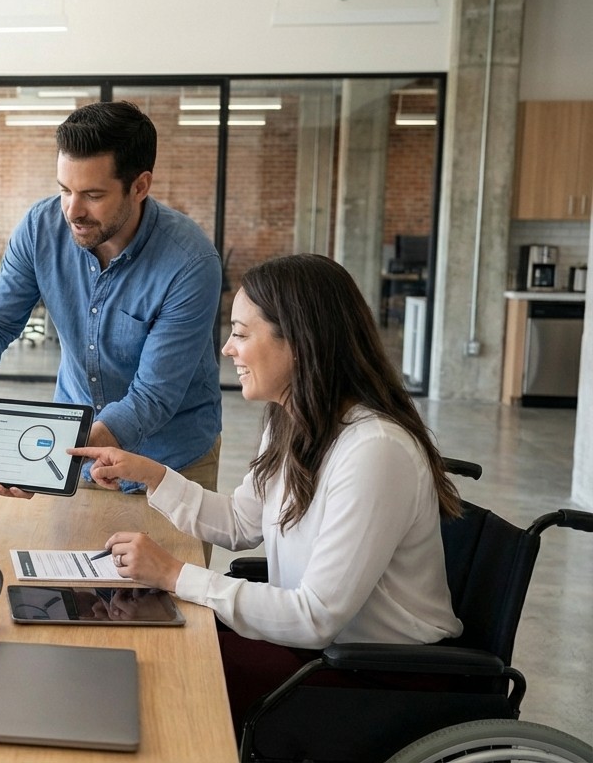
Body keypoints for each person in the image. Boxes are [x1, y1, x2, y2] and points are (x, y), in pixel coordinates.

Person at [68, 253, 463, 732]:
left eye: (240, 332)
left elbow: (315, 617)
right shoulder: (293, 421)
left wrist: (174, 574)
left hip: (377, 675)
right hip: (316, 650)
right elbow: (240, 522)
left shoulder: (375, 450)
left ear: (298, 341)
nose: (227, 350)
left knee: (168, 674)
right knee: (150, 639)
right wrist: (152, 474)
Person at [0, 100, 223, 496]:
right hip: (76, 448)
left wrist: (47, 461)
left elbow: (153, 395)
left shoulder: (190, 262)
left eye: (93, 195)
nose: (72, 211)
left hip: (168, 461)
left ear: (140, 186)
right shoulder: (40, 228)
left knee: (162, 561)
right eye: (65, 190)